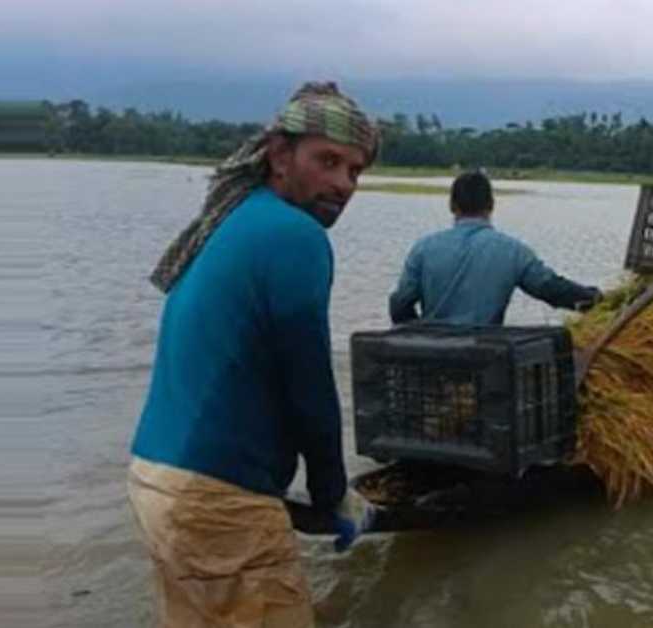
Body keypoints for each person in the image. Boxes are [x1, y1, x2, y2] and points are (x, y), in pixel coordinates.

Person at [128, 81, 377, 628]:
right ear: (280, 156)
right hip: (215, 498)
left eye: (355, 171)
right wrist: (333, 494)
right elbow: (309, 386)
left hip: (155, 479)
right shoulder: (296, 236)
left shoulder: (235, 222)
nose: (342, 183)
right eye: (328, 160)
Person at [389, 171, 601, 325]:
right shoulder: (513, 251)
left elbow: (400, 304)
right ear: (491, 205)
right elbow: (552, 289)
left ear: (452, 206)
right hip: (487, 357)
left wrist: (419, 334)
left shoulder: (424, 248)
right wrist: (599, 300)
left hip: (431, 356)